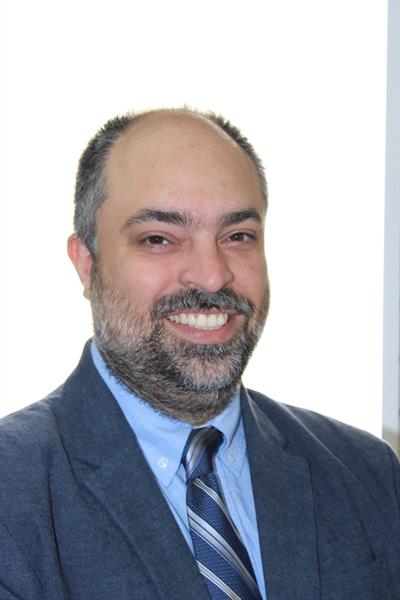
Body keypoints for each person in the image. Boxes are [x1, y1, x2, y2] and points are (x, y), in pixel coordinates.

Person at [0, 108, 399, 600]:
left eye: (237, 236)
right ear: (86, 264)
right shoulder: (12, 492)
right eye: (159, 239)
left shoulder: (368, 473)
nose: (212, 276)